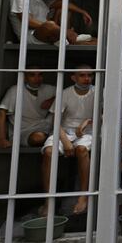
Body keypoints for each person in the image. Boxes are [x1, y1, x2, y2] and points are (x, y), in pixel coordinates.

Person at [41, 65, 95, 215]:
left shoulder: (97, 92)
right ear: (74, 78)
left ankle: (83, 195)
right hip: (64, 131)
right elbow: (55, 121)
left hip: (87, 132)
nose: (87, 79)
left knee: (82, 150)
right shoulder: (65, 93)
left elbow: (104, 116)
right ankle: (48, 200)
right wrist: (65, 141)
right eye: (82, 75)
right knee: (49, 152)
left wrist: (87, 122)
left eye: (90, 75)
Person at [0, 68, 55, 148]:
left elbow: (67, 95)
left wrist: (53, 100)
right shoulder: (15, 90)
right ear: (24, 77)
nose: (37, 79)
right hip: (24, 131)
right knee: (38, 138)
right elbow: (1, 113)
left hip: (46, 127)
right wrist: (1, 139)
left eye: (40, 75)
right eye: (32, 75)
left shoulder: (50, 89)